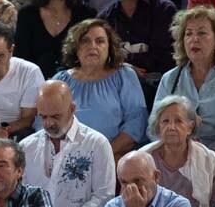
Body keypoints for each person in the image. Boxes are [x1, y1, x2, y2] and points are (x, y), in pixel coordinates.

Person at [19, 80, 116, 207]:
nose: (49, 123)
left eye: (55, 116)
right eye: (43, 117)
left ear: (72, 109)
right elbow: (19, 193)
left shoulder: (96, 144)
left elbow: (104, 197)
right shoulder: (26, 146)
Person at [55, 18, 149, 155]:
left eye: (100, 41)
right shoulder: (60, 81)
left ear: (109, 47)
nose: (92, 46)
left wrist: (100, 154)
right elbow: (45, 123)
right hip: (66, 156)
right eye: (85, 40)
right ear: (75, 47)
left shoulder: (124, 75)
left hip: (114, 155)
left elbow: (136, 123)